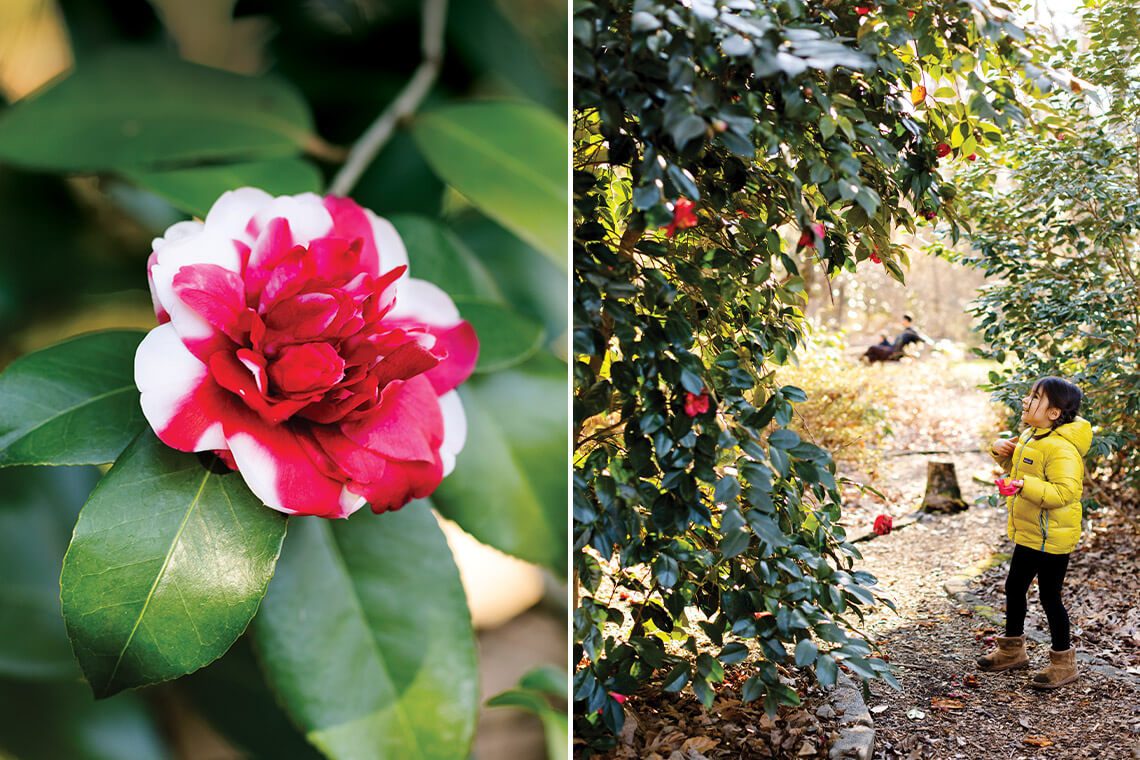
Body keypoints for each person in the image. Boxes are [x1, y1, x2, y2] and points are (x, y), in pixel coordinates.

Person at [977, 376, 1090, 689]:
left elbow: (1066, 492)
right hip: (1030, 532)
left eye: (1034, 397)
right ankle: (1012, 651)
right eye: (1028, 396)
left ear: (1053, 413)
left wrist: (1026, 486)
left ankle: (1063, 662)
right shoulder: (1031, 436)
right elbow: (1019, 473)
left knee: (1049, 596)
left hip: (1053, 537)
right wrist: (1003, 454)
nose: (1025, 401)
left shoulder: (1062, 449)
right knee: (1014, 587)